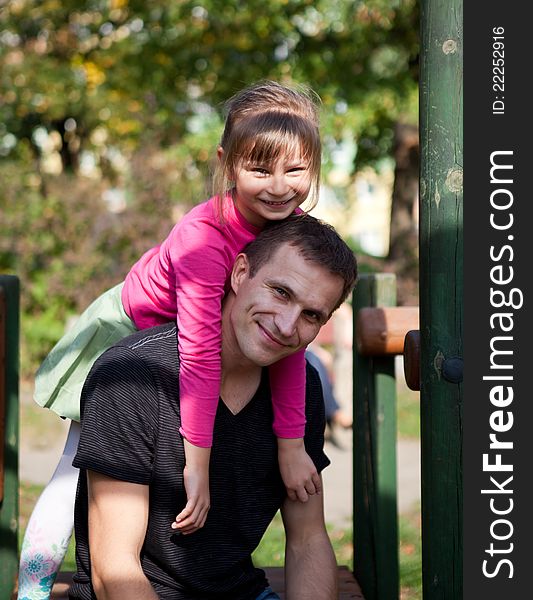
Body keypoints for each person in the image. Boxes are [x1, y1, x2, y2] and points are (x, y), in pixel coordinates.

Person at [18, 81, 324, 599]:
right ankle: (32, 588)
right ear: (227, 164)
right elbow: (200, 355)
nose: (278, 186)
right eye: (259, 169)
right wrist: (195, 464)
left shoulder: (291, 232)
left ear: (314, 165)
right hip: (128, 335)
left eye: (294, 170)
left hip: (188, 340)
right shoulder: (205, 239)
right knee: (74, 470)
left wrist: (292, 447)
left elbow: (288, 343)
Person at [68, 214, 358, 599]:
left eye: (311, 315)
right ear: (240, 273)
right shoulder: (131, 375)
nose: (288, 326)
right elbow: (114, 570)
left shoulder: (301, 390)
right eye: (281, 292)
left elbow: (307, 539)